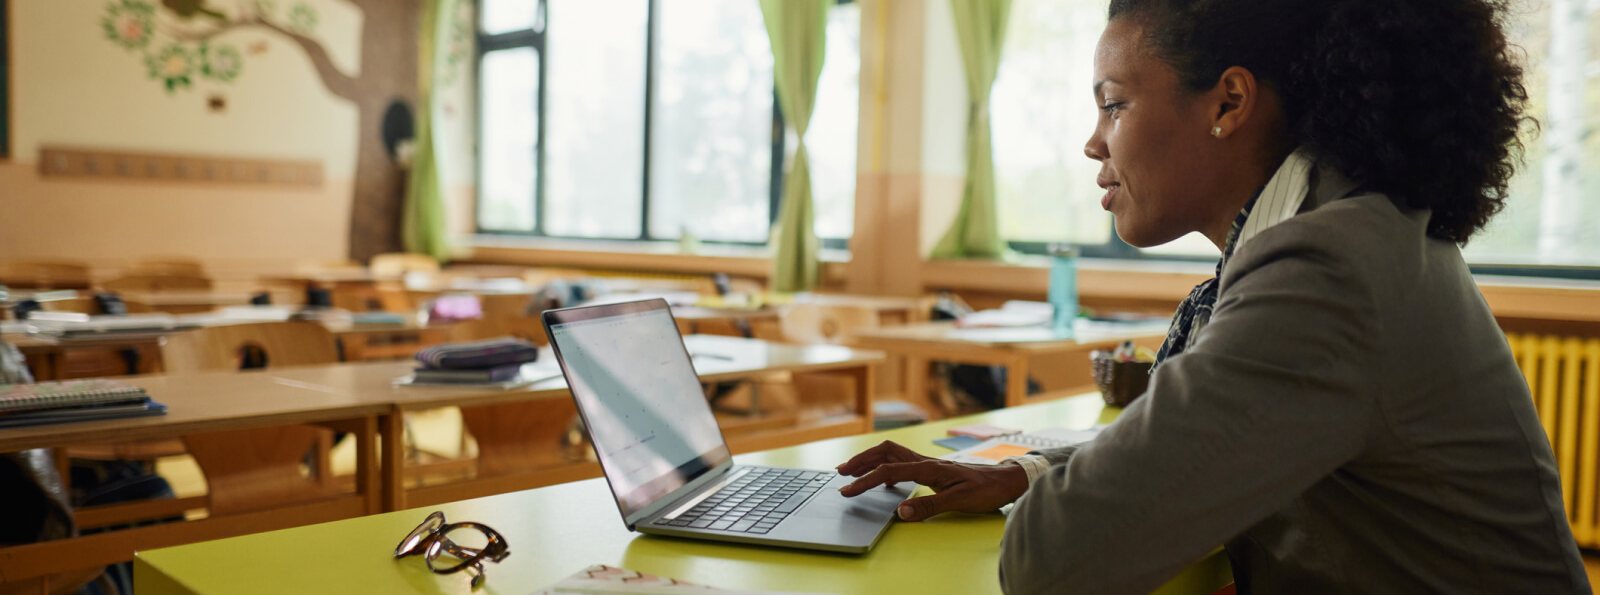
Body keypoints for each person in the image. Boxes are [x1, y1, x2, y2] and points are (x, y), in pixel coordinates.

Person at [836, 0, 1593, 592]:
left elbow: (1049, 561)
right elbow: (1211, 451)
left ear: (1229, 102)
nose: (1094, 142)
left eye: (1114, 104)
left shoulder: (1327, 271)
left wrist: (1054, 497)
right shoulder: (1353, 225)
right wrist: (1027, 471)